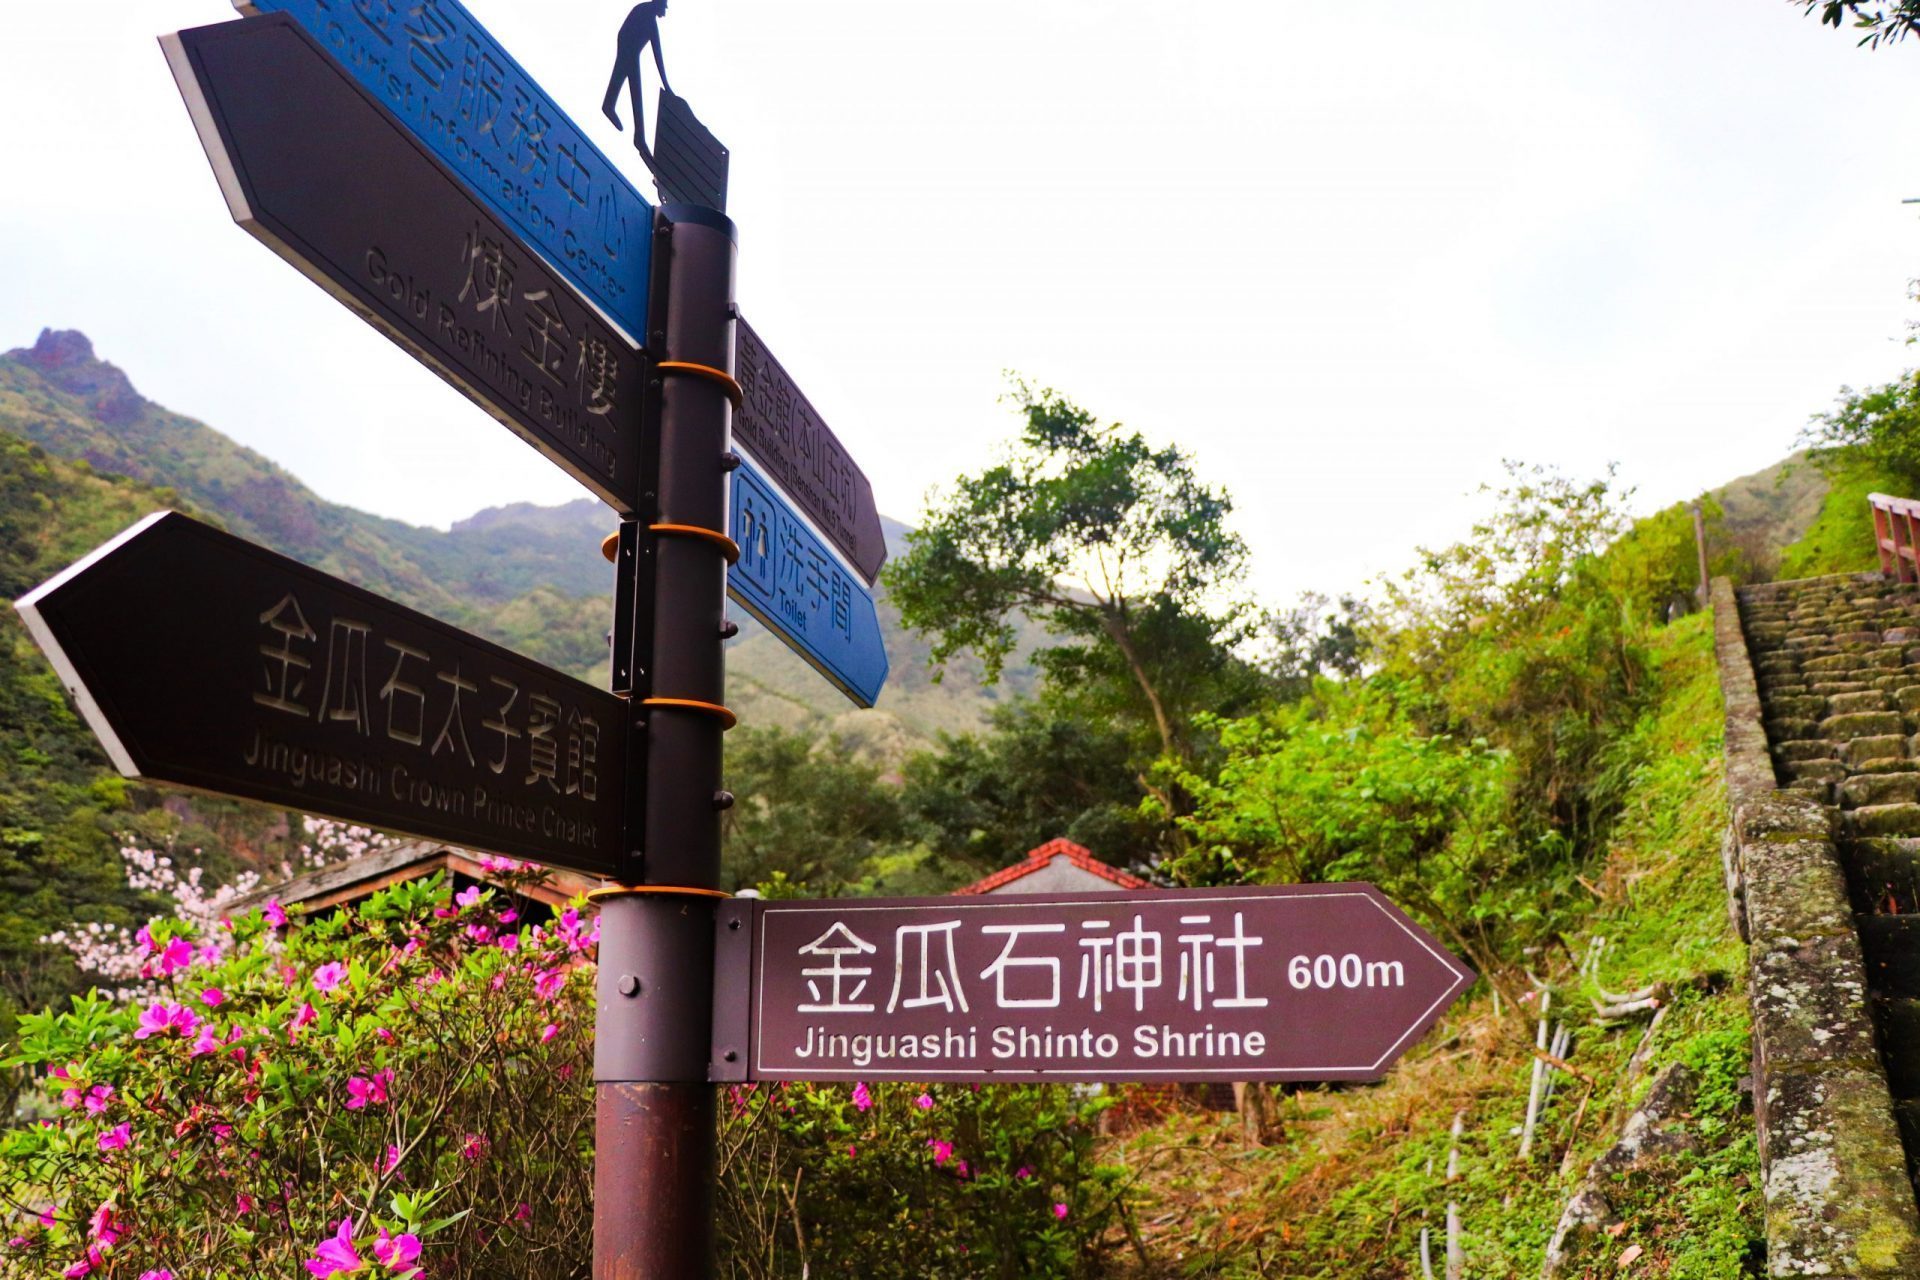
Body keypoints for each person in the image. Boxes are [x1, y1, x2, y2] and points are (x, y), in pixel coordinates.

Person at [603, 1, 673, 162]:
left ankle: (610, 106)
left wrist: (666, 85)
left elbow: (657, 55)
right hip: (628, 51)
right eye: (664, 8)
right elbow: (622, 32)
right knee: (636, 94)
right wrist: (625, 51)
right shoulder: (642, 12)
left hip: (630, 53)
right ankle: (639, 137)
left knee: (627, 85)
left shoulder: (651, 23)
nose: (664, 12)